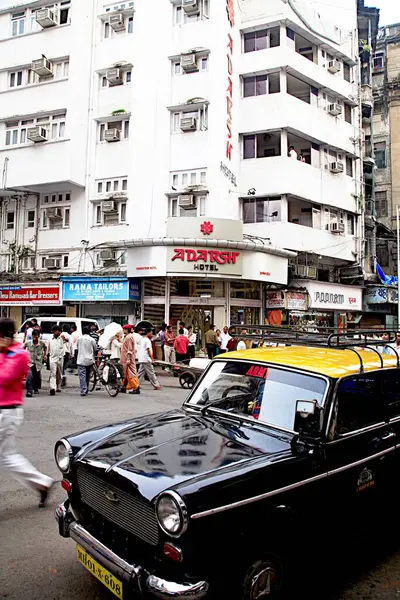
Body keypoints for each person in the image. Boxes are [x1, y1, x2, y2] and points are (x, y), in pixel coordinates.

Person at [0, 318, 54, 507]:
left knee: (7, 455)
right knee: (7, 456)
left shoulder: (18, 354)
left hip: (7, 413)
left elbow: (5, 378)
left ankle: (41, 483)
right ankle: (41, 483)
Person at [24, 329, 47, 397]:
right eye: (33, 336)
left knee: (37, 376)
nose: (34, 338)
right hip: (30, 362)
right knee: (29, 375)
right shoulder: (28, 343)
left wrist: (45, 355)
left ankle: (36, 388)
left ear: (38, 336)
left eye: (36, 337)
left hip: (38, 362)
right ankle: (29, 391)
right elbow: (23, 348)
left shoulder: (42, 343)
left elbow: (45, 347)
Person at [76, 326, 97, 397]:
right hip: (89, 360)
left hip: (81, 359)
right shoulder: (92, 340)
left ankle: (83, 390)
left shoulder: (79, 339)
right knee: (87, 375)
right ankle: (86, 388)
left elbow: (77, 347)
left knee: (82, 376)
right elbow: (95, 348)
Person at [121, 325, 139, 394]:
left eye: (124, 329)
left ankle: (136, 387)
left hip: (128, 359)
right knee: (125, 373)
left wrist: (128, 359)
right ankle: (124, 387)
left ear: (126, 330)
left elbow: (130, 349)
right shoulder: (127, 337)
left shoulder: (129, 337)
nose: (123, 330)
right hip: (124, 358)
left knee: (131, 373)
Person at [48, 325, 64, 396]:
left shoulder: (62, 339)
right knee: (53, 374)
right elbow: (47, 349)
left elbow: (67, 342)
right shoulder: (50, 339)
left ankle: (58, 386)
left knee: (59, 374)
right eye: (58, 331)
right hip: (52, 358)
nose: (59, 333)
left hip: (60, 358)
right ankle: (52, 388)